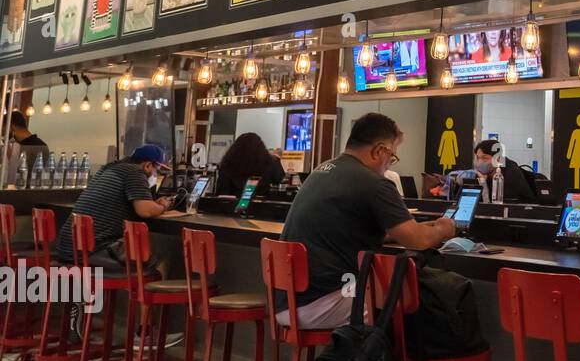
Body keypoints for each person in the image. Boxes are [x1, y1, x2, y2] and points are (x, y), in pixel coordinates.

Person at [276, 113, 454, 330]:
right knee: (413, 305)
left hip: (287, 301)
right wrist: (444, 229)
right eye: (392, 156)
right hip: (324, 301)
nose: (390, 164)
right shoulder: (373, 182)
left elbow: (352, 229)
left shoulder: (322, 170)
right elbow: (417, 241)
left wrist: (421, 228)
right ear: (379, 150)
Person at [53, 145, 174, 272]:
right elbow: (145, 210)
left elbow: (138, 203)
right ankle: (144, 292)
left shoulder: (108, 168)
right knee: (161, 260)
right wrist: (163, 206)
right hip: (92, 252)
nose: (156, 175)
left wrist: (154, 204)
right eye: (158, 171)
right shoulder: (134, 172)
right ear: (148, 165)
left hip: (68, 249)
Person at [216, 131, 286, 196]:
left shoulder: (228, 165)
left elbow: (222, 192)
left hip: (232, 205)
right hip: (263, 205)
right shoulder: (271, 163)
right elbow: (281, 182)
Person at [473, 139, 537, 203]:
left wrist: (484, 185)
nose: (480, 162)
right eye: (478, 158)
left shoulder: (511, 173)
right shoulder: (482, 173)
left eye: (485, 158)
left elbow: (500, 205)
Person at [7, 110, 49, 183]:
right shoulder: (43, 145)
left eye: (4, 129)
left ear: (12, 126)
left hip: (19, 190)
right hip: (35, 190)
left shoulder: (18, 147)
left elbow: (14, 173)